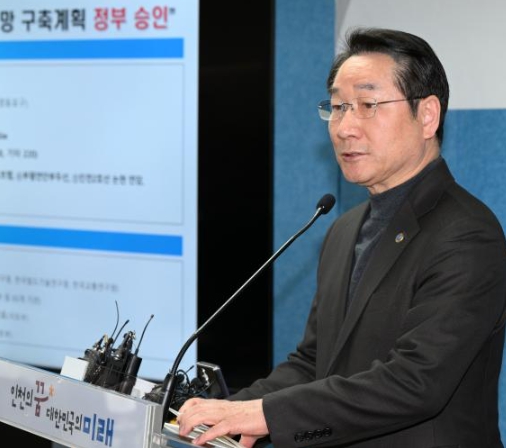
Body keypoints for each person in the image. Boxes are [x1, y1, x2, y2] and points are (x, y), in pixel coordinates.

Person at [177, 28, 506, 448]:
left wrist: (265, 415)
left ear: (427, 115)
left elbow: (415, 382)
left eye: (368, 105)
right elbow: (313, 364)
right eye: (337, 107)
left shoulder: (466, 235)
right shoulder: (344, 228)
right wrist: (227, 411)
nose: (345, 127)